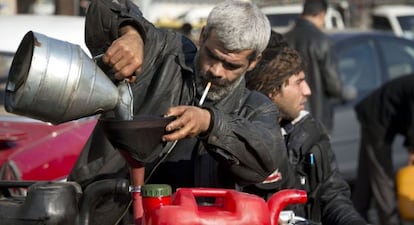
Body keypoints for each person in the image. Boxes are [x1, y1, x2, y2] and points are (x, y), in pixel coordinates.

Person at [68, 0, 289, 224]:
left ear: (253, 62)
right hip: (103, 212)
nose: (216, 70)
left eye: (231, 66)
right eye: (212, 55)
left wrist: (211, 124)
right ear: (202, 36)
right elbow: (104, 7)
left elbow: (267, 156)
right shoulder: (164, 52)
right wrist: (131, 32)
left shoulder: (253, 107)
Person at [244, 31, 367, 225]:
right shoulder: (239, 139)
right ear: (271, 91)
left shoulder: (310, 131)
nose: (308, 91)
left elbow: (332, 193)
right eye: (298, 82)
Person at [352, 74, 414, 225]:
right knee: (382, 175)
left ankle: (355, 217)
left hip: (377, 116)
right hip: (376, 119)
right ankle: (390, 221)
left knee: (366, 175)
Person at [284, 0, 343, 133]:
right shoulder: (323, 41)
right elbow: (334, 86)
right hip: (318, 118)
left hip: (290, 117)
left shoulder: (284, 39)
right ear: (322, 15)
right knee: (316, 154)